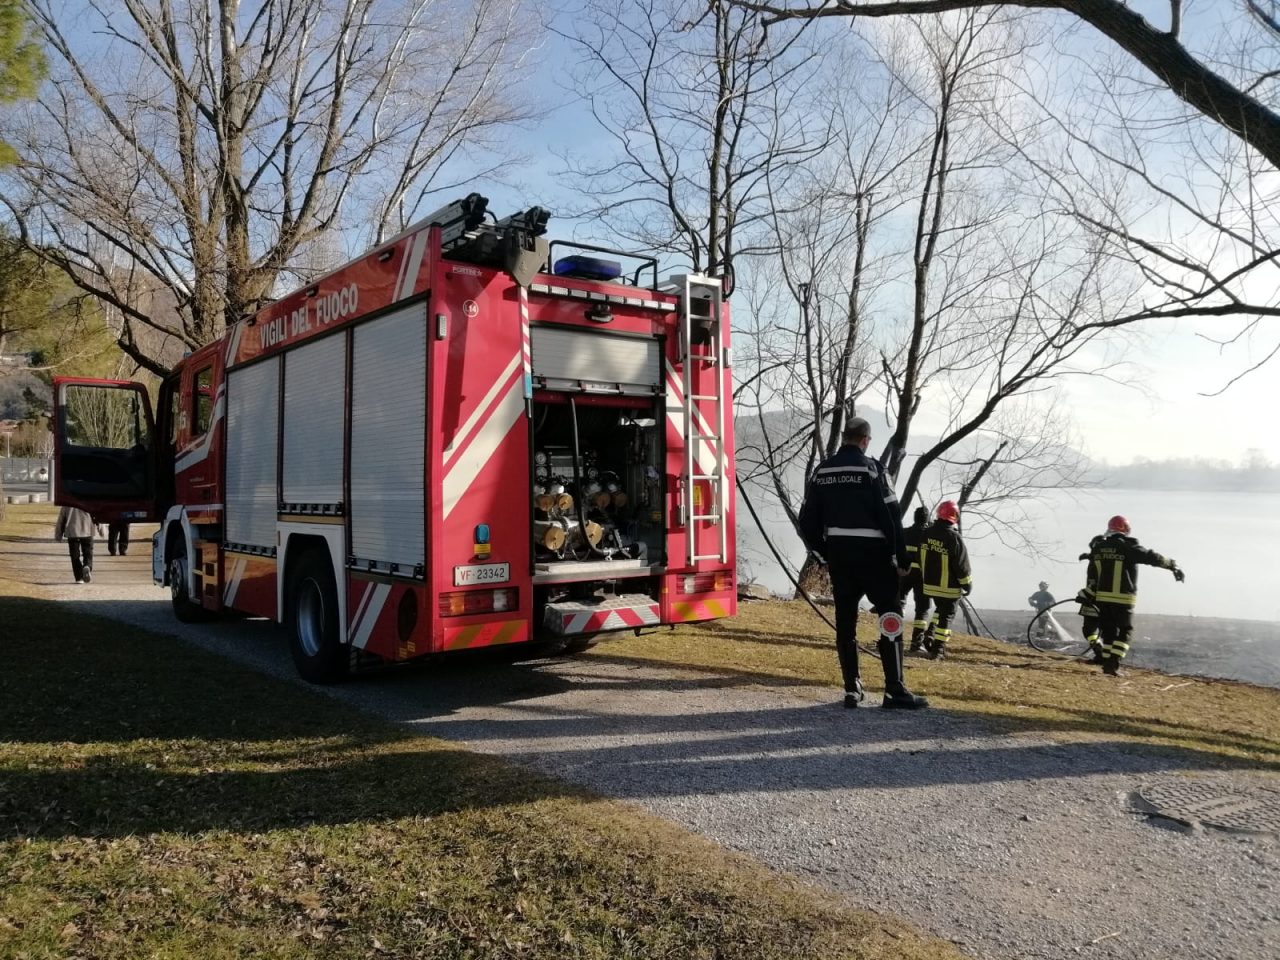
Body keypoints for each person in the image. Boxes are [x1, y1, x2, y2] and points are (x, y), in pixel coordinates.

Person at [799, 418, 928, 710]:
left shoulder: (823, 471)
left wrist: (823, 553)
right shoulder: (874, 469)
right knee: (890, 617)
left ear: (845, 437)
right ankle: (894, 689)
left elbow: (806, 520)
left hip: (841, 558)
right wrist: (901, 557)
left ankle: (851, 689)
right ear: (866, 440)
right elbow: (891, 514)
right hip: (875, 557)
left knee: (846, 622)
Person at [1084, 515, 1185, 676]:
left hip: (1102, 598)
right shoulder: (1129, 547)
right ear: (1126, 529)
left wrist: (1088, 593)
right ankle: (1113, 663)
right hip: (1123, 598)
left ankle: (1108, 661)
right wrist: (1173, 566)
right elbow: (1152, 557)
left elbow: (1092, 574)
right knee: (1125, 632)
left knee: (1108, 631)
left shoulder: (1098, 548)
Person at [913, 500, 972, 661]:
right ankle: (938, 650)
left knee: (941, 611)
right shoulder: (953, 537)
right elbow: (961, 565)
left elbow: (918, 556)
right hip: (949, 588)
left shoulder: (926, 534)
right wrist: (967, 583)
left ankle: (930, 636)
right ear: (954, 516)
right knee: (947, 616)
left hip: (930, 586)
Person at [901, 505, 932, 654]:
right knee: (922, 609)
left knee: (898, 605)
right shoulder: (929, 536)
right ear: (927, 519)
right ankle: (916, 644)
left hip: (903, 573)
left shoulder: (904, 533)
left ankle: (893, 638)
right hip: (922, 576)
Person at [54, 506, 103, 583]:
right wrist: (101, 530)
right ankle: (87, 566)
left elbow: (61, 518)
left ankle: (79, 577)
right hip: (88, 529)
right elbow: (97, 514)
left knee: (74, 555)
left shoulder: (67, 502)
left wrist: (58, 534)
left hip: (72, 531)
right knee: (88, 552)